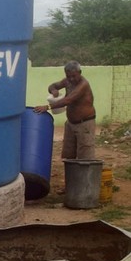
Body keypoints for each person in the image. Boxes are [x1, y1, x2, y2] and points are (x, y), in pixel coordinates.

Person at [34, 60, 96, 192]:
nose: (71, 79)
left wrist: (48, 107)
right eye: (69, 76)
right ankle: (70, 187)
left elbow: (69, 100)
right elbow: (52, 85)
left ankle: (85, 189)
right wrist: (54, 91)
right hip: (71, 124)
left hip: (85, 124)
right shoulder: (67, 81)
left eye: (74, 76)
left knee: (85, 158)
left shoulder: (83, 84)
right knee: (69, 157)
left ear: (79, 73)